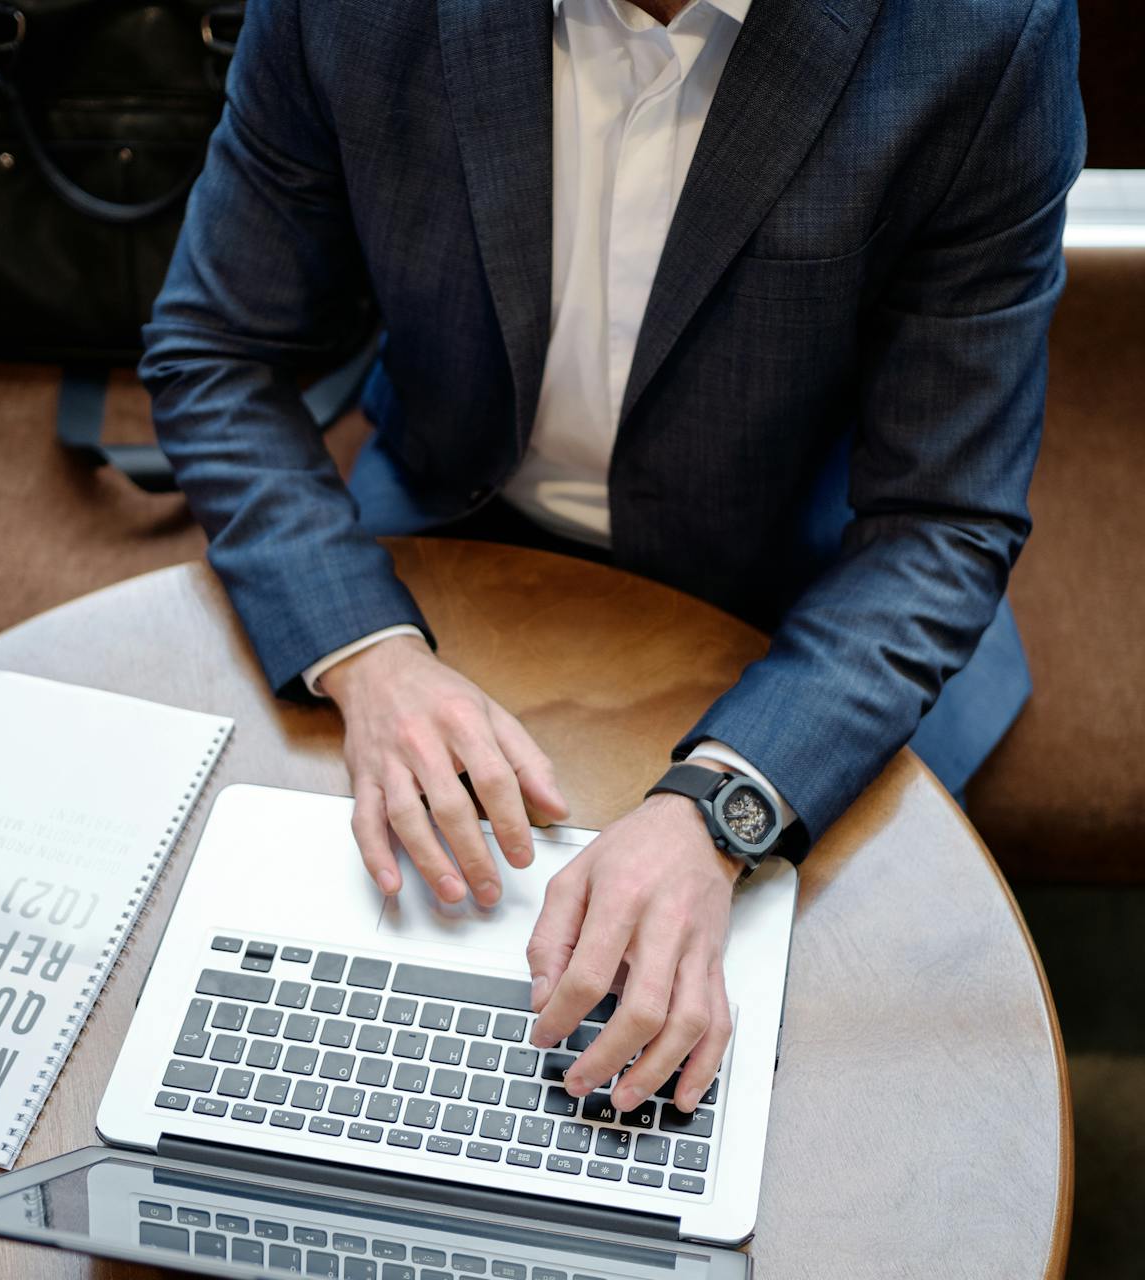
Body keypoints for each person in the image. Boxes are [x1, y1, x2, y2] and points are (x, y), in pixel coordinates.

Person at [142, 0, 1085, 1115]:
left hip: (806, 601)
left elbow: (940, 518)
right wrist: (365, 651)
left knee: (813, 1094)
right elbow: (216, 349)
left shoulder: (983, 31)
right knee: (309, 1017)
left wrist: (721, 809)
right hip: (451, 525)